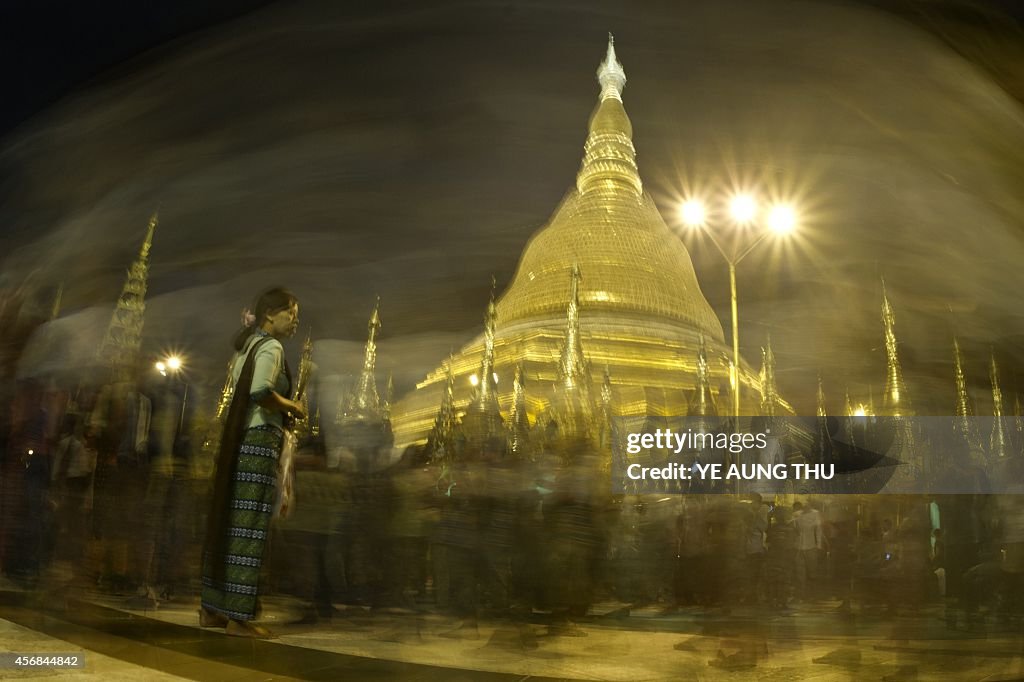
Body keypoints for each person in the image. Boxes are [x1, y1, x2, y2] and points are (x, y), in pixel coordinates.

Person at [200, 288, 304, 638]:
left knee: (230, 522)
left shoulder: (247, 347)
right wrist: (293, 406)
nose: (295, 320)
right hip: (258, 443)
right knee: (250, 527)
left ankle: (211, 607)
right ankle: (238, 617)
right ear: (271, 314)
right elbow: (260, 391)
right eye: (291, 313)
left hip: (239, 441)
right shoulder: (271, 348)